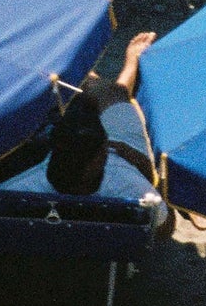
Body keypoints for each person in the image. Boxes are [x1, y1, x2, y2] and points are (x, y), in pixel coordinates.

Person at [46, 30, 160, 195]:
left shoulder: (25, 186)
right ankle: (87, 73)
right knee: (103, 92)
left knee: (86, 91)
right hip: (125, 153)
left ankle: (81, 74)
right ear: (104, 154)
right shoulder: (137, 190)